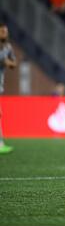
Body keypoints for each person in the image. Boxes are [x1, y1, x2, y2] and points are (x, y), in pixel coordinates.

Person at [0, 23, 17, 154]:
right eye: (2, 32)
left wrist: (7, 62)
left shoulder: (7, 47)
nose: (5, 34)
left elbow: (14, 63)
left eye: (6, 31)